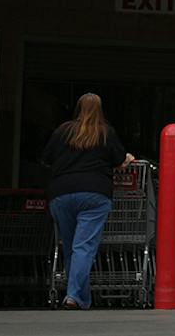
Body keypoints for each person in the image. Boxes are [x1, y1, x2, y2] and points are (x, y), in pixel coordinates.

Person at [41, 93, 134, 310]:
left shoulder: (63, 131)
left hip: (62, 193)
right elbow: (119, 160)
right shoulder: (105, 133)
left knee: (71, 247)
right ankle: (73, 296)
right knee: (83, 247)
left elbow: (46, 158)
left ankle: (80, 299)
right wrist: (127, 159)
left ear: (77, 108)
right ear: (100, 110)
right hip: (94, 194)